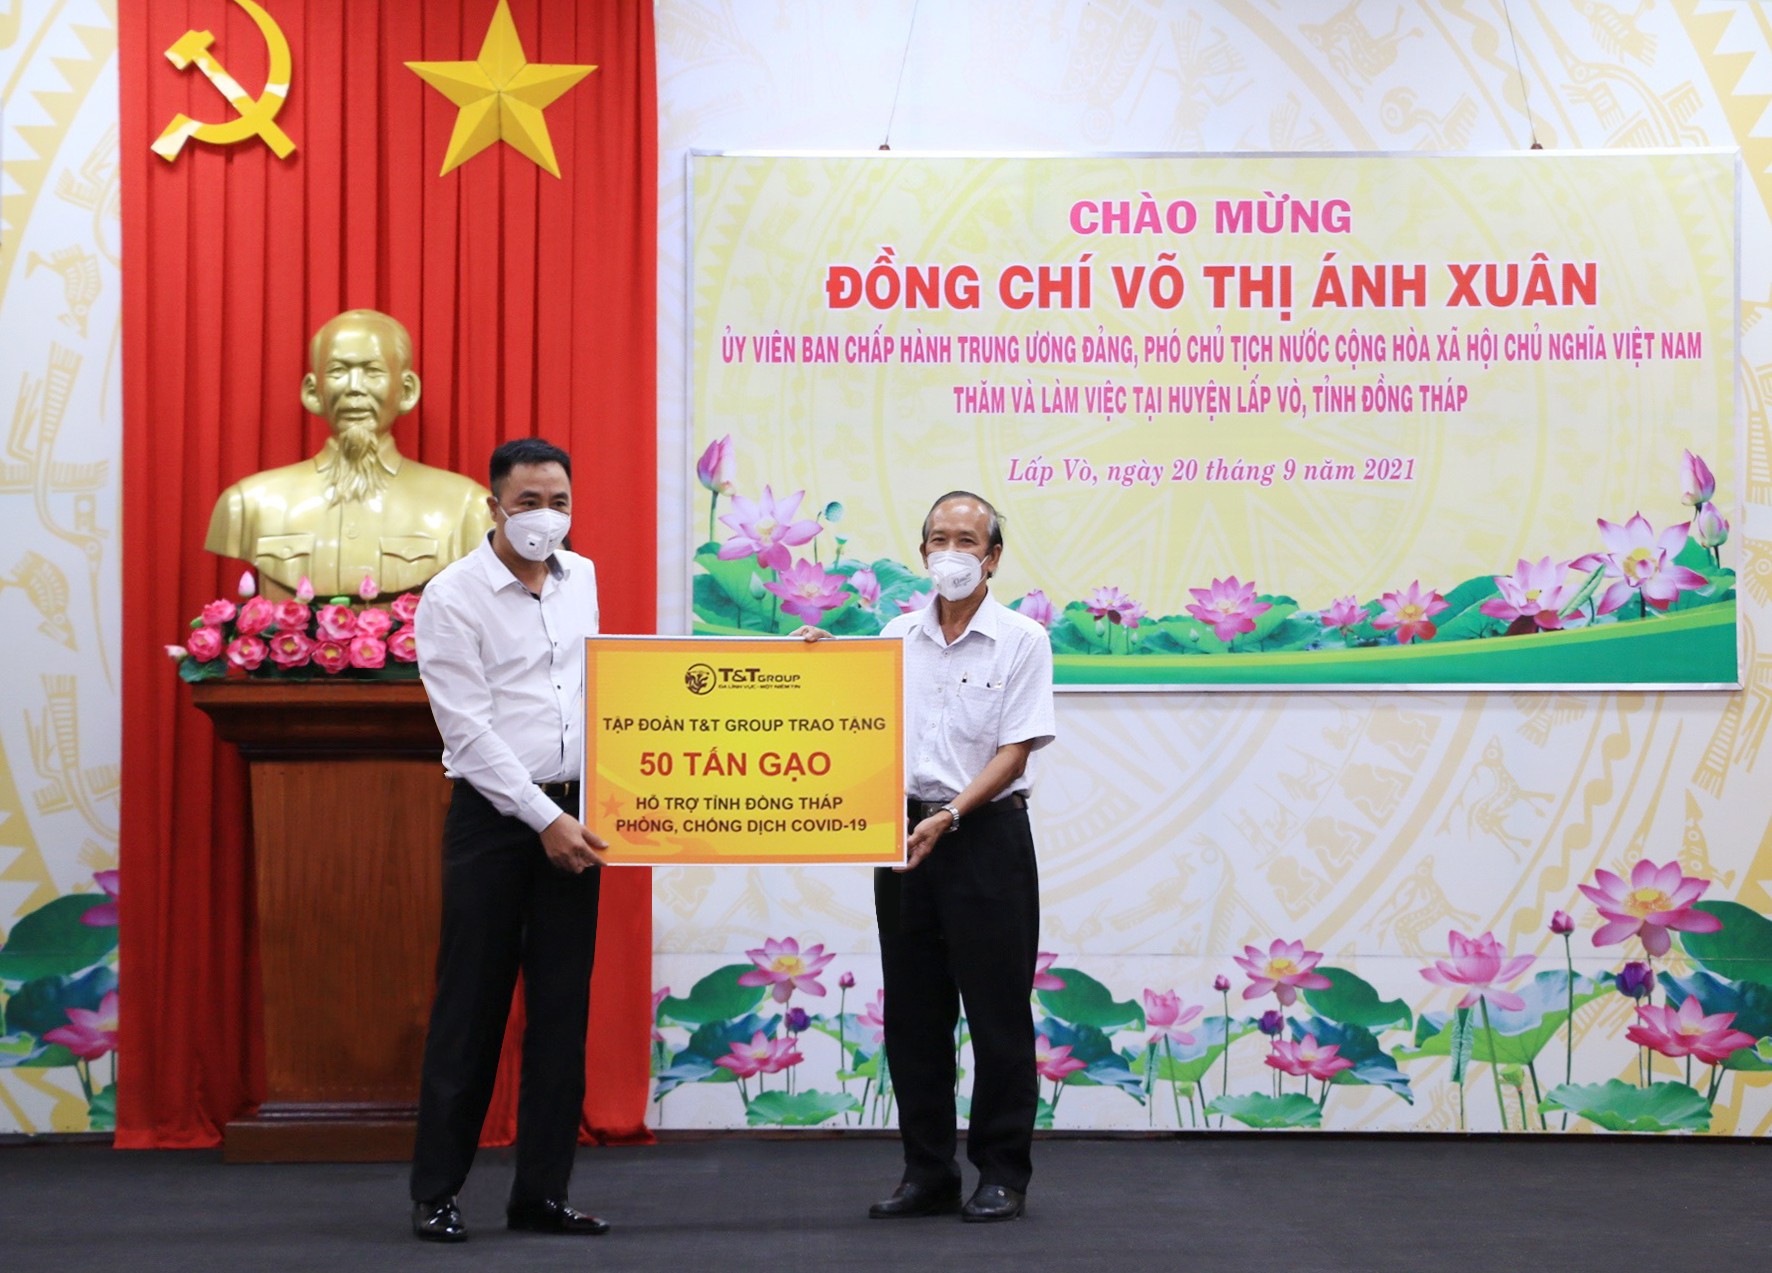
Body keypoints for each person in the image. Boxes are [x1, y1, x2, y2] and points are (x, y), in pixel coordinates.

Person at [802, 491, 1056, 1223]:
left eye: (967, 540)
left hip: (985, 837)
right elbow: (860, 716)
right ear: (922, 554)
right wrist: (816, 664)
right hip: (902, 836)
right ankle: (927, 1172)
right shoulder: (895, 636)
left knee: (998, 1014)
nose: (952, 552)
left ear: (993, 557)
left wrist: (950, 815)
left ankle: (1002, 1173)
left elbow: (1015, 753)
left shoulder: (1023, 640)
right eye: (939, 539)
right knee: (914, 1016)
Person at [407, 437, 611, 1243]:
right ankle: (436, 1191)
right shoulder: (452, 595)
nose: (544, 517)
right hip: (494, 823)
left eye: (558, 501)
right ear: (494, 506)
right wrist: (542, 818)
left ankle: (542, 1194)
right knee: (472, 1007)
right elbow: (467, 729)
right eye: (528, 502)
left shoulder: (581, 576)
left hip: (577, 819)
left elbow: (604, 688)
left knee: (562, 1014)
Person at [205, 309, 491, 599]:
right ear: (313, 392)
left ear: (407, 391)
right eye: (338, 371)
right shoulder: (248, 504)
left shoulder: (467, 508)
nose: (354, 388)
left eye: (372, 371)